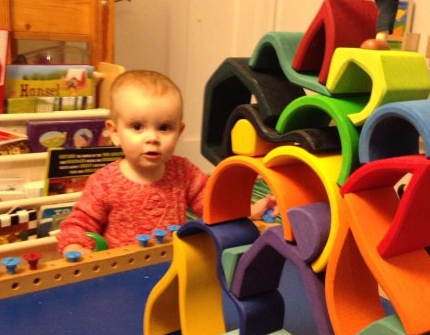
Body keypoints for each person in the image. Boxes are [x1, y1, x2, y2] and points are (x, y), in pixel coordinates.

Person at [58, 70, 276, 255]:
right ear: (114, 133)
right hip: (122, 270)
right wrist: (75, 245)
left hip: (175, 261)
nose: (152, 138)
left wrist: (249, 211)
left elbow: (214, 206)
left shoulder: (184, 171)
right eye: (137, 127)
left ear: (179, 132)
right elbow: (78, 224)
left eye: (164, 128)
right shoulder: (103, 182)